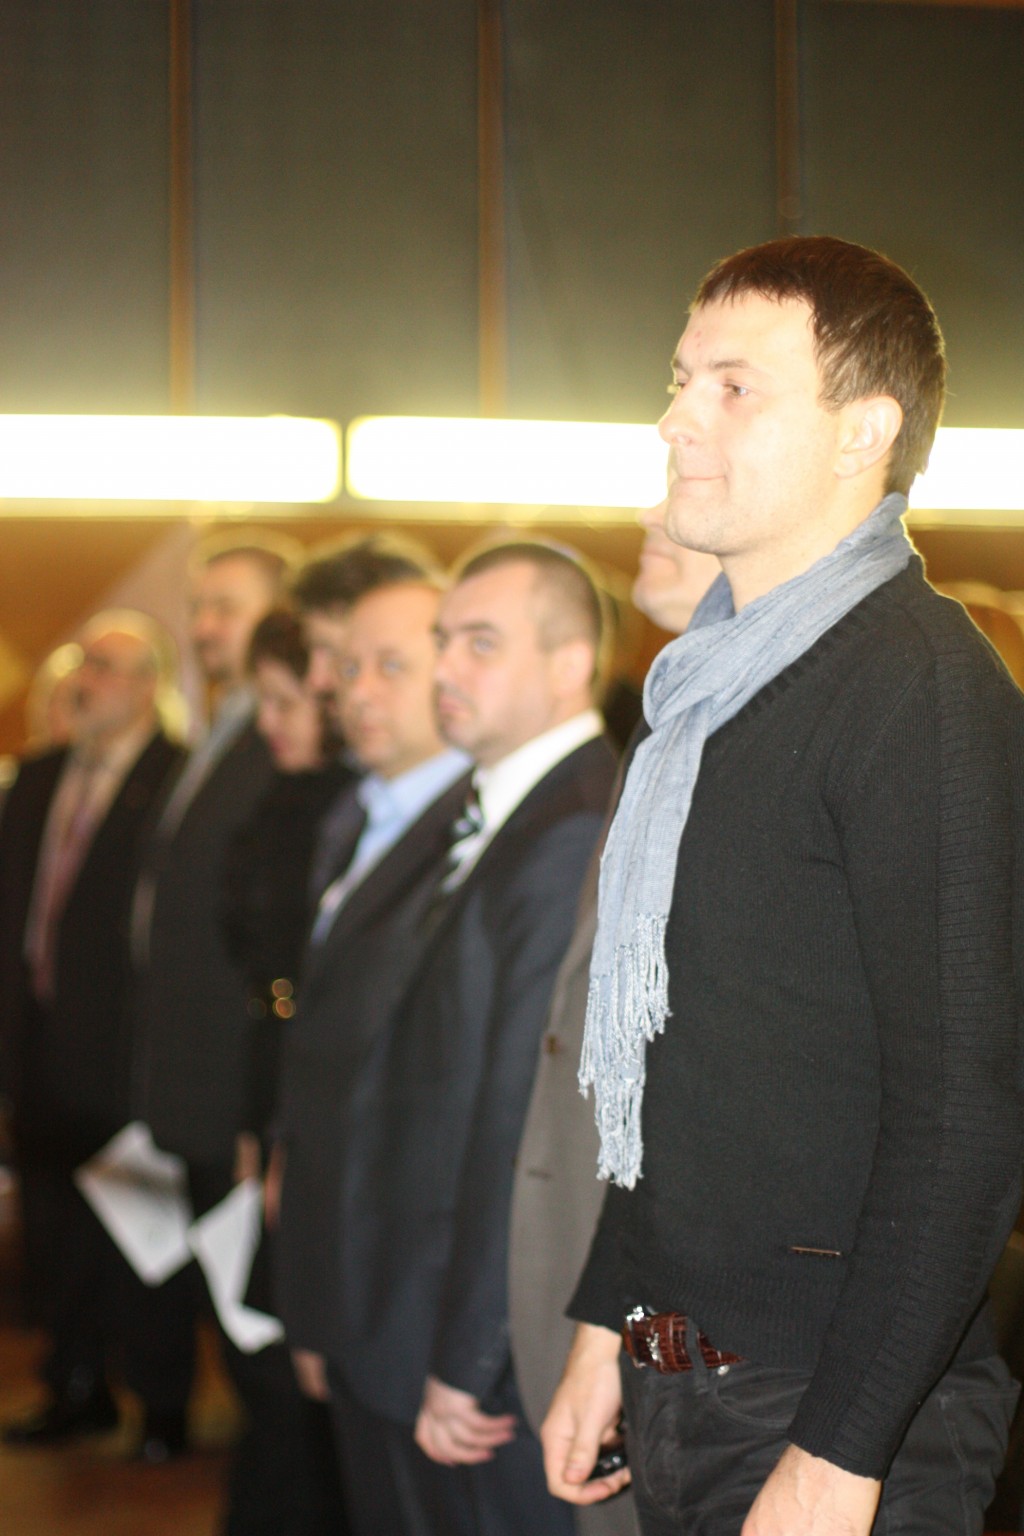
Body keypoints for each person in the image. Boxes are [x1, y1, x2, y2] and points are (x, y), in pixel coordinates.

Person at [542, 234, 1024, 1536]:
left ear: (863, 431)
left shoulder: (918, 692)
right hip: (685, 1378)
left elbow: (964, 1120)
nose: (675, 418)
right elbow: (678, 1069)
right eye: (678, 381)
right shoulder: (708, 693)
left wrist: (838, 1455)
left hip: (834, 1409)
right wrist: (605, 1324)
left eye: (733, 387)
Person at [330, 542, 617, 1536]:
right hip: (413, 1308)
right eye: (444, 640)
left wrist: (470, 1357)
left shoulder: (572, 827)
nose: (445, 668)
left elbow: (522, 1120)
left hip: (482, 1355)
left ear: (571, 663)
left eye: (480, 644)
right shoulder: (494, 807)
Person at [508, 506, 719, 1536]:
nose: (655, 513)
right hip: (611, 1269)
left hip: (693, 1304)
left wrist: (624, 1330)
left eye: (694, 487)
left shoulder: (751, 731)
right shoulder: (671, 719)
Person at [131, 533, 306, 1528]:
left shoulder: (277, 747)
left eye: (228, 607)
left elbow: (266, 951)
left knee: (262, 1348)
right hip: (196, 1083)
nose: (205, 628)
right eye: (198, 608)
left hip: (238, 1094)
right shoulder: (222, 730)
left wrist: (251, 1114)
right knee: (234, 1333)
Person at [271, 574, 470, 1428]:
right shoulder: (352, 812)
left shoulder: (480, 827)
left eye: (391, 666)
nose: (357, 692)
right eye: (348, 669)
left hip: (416, 1277)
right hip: (341, 1253)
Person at [0, 611, 187, 1455]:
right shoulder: (39, 778)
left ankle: (160, 1402)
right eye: (82, 663)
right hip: (39, 1046)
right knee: (56, 1230)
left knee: (143, 1232)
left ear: (149, 685)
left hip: (127, 1051)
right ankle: (75, 1387)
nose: (86, 680)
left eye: (108, 667)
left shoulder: (174, 779)